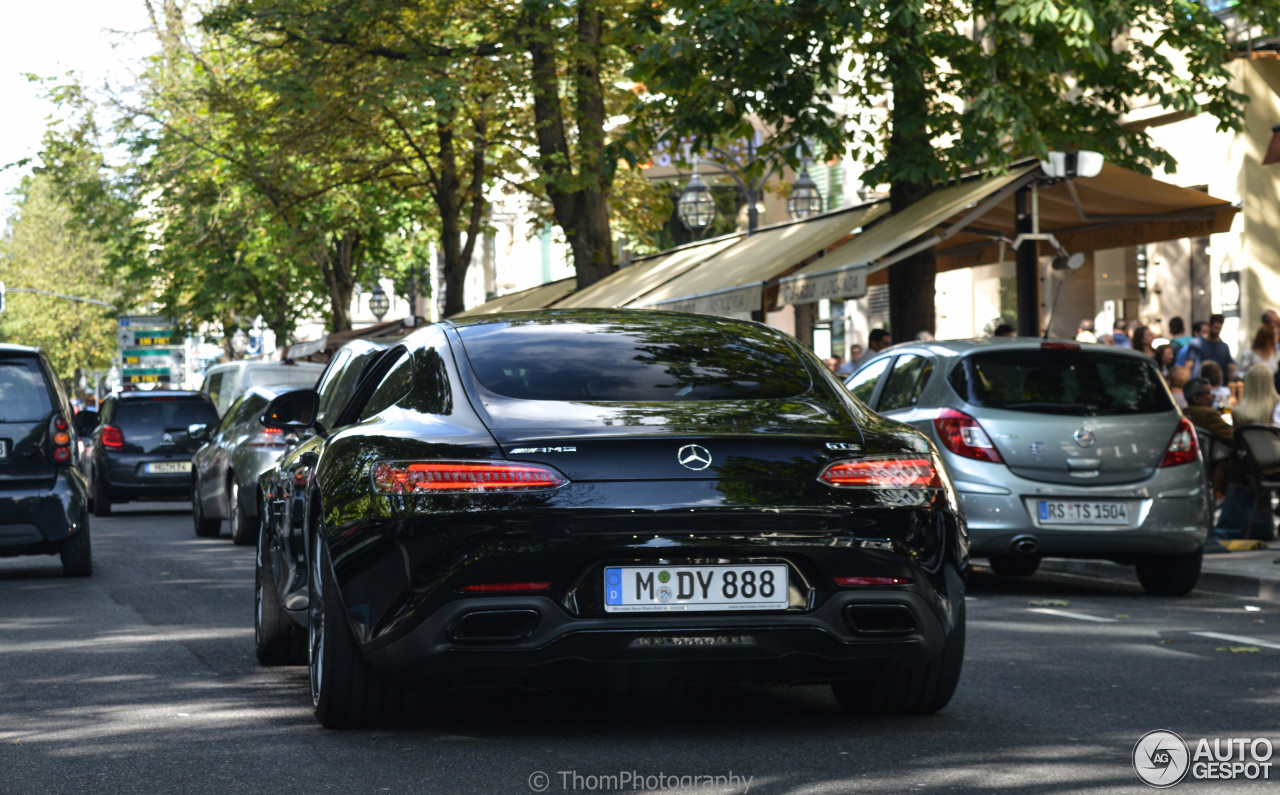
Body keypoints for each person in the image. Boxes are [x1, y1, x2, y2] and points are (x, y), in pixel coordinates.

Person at [1177, 314, 1234, 380]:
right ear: (1209, 326)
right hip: (1200, 384)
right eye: (1215, 328)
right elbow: (1189, 365)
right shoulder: (1196, 344)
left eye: (1219, 328)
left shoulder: (1224, 347)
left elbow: (1230, 366)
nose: (1217, 331)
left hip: (1218, 385)